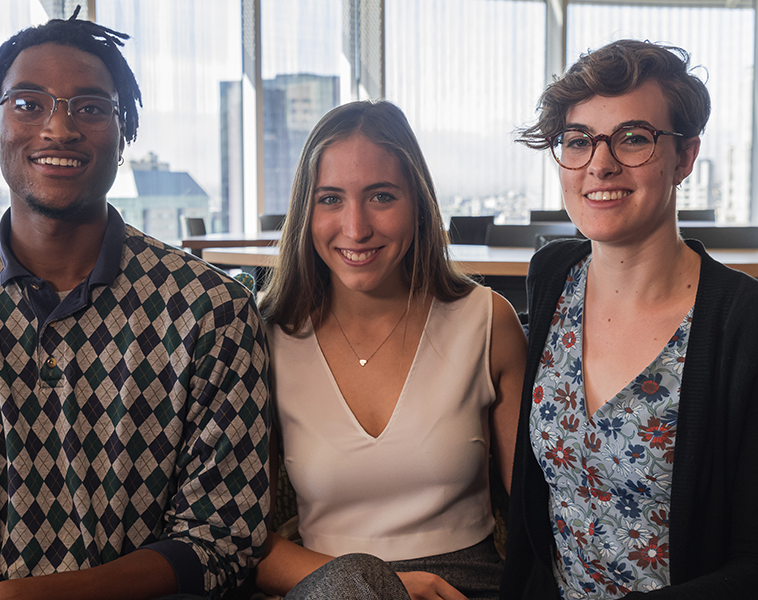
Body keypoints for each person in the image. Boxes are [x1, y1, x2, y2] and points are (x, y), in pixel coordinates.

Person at [0, 10, 270, 600]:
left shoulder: (213, 311)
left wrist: (36, 596)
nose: (59, 127)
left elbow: (222, 539)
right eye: (27, 103)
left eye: (91, 107)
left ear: (123, 134)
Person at [502, 39, 758, 599]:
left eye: (633, 138)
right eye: (578, 141)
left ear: (685, 157)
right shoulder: (552, 277)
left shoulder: (742, 325)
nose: (600, 163)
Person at [256, 100, 527, 600]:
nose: (356, 228)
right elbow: (244, 546)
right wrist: (383, 586)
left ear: (419, 204)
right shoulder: (264, 337)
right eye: (330, 199)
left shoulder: (488, 322)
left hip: (465, 589)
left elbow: (539, 517)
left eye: (381, 196)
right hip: (325, 585)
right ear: (304, 211)